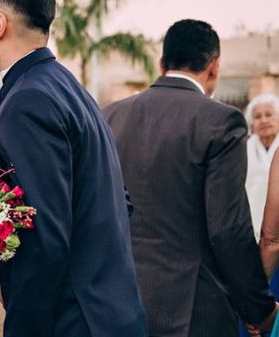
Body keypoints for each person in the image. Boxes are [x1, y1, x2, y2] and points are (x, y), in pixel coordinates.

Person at [0, 0, 147, 336]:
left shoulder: (28, 101)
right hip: (109, 313)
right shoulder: (67, 86)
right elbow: (118, 201)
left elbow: (42, 238)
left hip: (73, 322)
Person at [104, 19, 277, 337]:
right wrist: (259, 309)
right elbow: (227, 229)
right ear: (214, 67)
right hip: (193, 309)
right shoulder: (221, 121)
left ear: (161, 64)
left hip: (117, 302)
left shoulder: (110, 116)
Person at [245, 94, 279, 240]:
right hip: (253, 227)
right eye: (258, 117)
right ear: (252, 124)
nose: (264, 120)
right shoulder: (243, 149)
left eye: (269, 114)